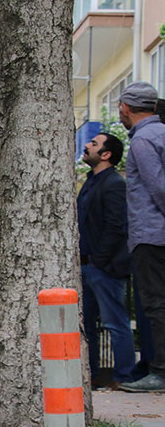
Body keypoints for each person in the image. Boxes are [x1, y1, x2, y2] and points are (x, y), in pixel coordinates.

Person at [116, 82, 165, 392]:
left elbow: (158, 187)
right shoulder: (160, 133)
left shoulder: (143, 141)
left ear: (126, 109)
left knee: (157, 306)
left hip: (152, 236)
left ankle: (160, 372)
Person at [77, 133, 134, 389]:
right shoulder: (90, 182)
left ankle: (123, 376)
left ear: (106, 154)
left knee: (115, 323)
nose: (88, 145)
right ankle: (93, 375)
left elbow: (116, 225)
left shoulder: (114, 184)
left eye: (94, 144)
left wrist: (99, 260)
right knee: (85, 324)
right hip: (86, 266)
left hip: (105, 268)